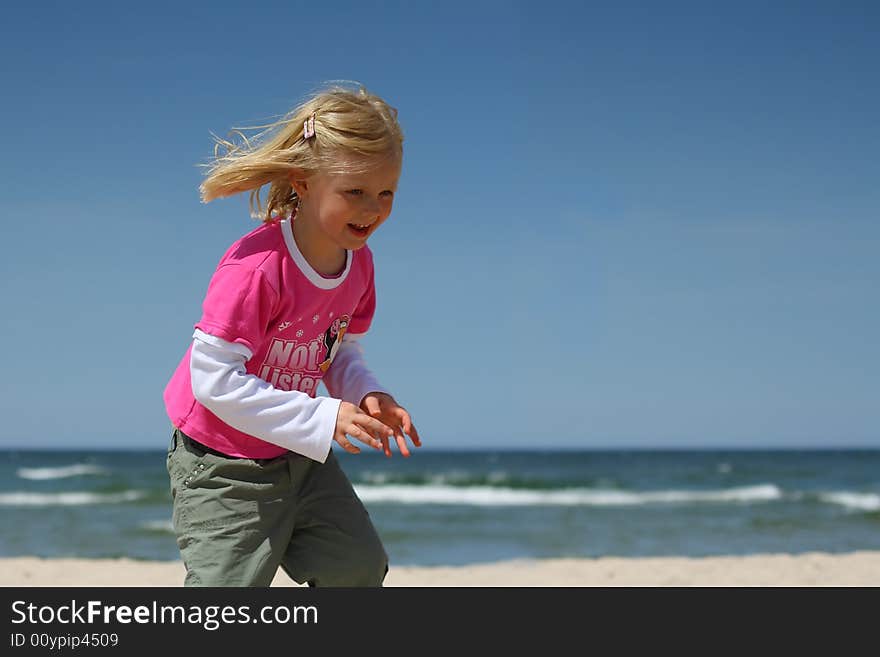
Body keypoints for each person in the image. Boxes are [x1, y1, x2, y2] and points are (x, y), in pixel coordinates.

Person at [163, 83, 421, 587]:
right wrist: (324, 416)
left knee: (357, 569)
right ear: (302, 182)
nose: (372, 208)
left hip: (297, 455)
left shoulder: (360, 267)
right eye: (355, 192)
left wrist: (366, 393)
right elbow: (213, 380)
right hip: (223, 462)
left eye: (386, 192)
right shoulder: (259, 267)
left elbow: (338, 347)